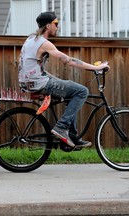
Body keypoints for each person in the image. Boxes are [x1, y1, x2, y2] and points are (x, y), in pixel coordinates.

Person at [18, 11, 110, 148]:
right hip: (38, 82)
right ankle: (61, 127)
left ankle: (71, 137)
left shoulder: (31, 39)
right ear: (48, 26)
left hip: (28, 81)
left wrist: (52, 77)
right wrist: (96, 68)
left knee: (70, 93)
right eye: (56, 23)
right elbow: (69, 61)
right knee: (82, 91)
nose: (58, 26)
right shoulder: (44, 43)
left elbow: (31, 65)